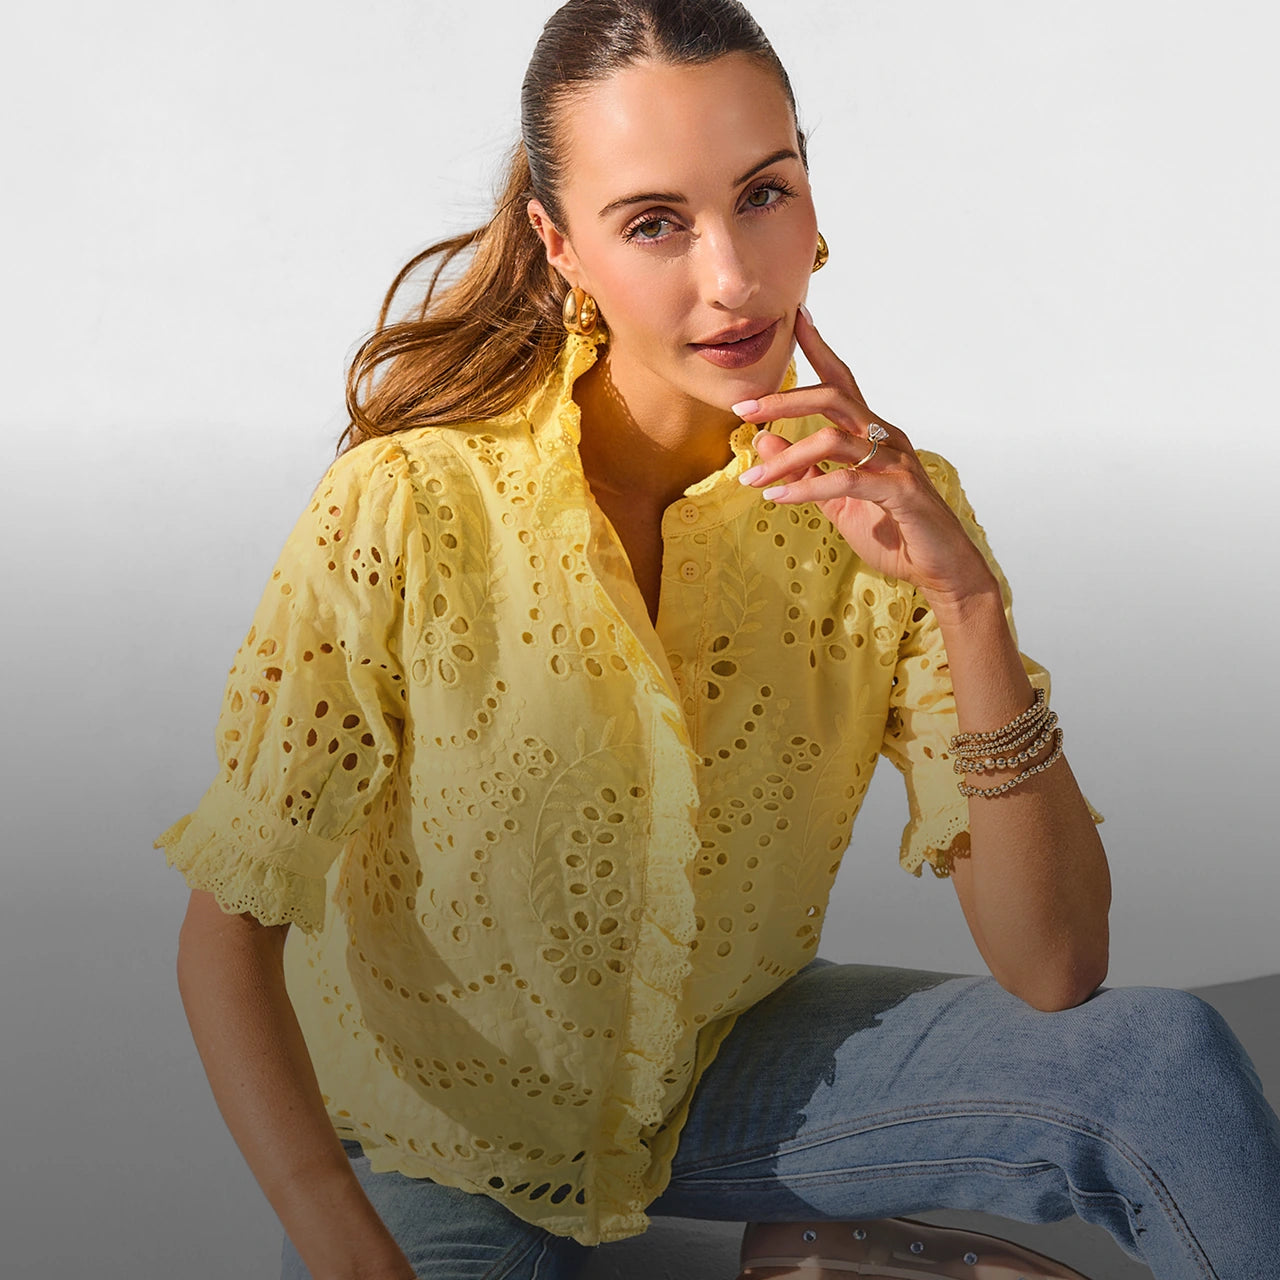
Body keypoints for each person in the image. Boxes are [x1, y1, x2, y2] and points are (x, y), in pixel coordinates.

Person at [152, 2, 1280, 1278]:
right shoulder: (407, 508)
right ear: (557, 242)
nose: (733, 277)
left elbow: (1055, 962)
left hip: (726, 1067)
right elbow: (226, 934)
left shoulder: (885, 507)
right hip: (439, 1135)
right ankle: (825, 1259)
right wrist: (344, 1246)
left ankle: (821, 1241)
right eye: (653, 223)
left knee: (1162, 1064)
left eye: (762, 193)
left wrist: (966, 605)